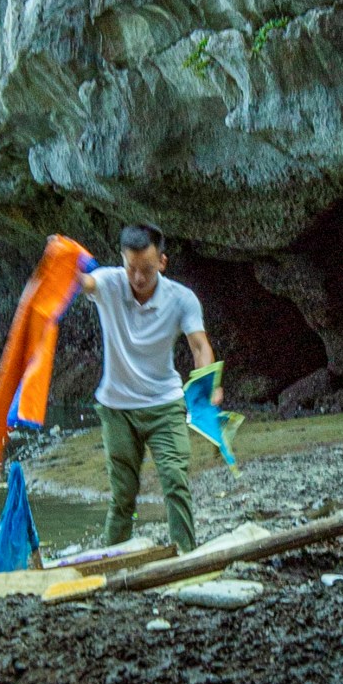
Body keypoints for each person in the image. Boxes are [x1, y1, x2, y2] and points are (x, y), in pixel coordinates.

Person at [79, 223, 213, 554]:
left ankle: (185, 554)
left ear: (163, 263)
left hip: (165, 405)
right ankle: (112, 560)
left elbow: (199, 346)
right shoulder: (110, 283)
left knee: (175, 480)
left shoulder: (181, 299)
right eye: (132, 269)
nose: (138, 278)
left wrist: (208, 384)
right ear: (122, 262)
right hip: (116, 408)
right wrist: (61, 257)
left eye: (148, 269)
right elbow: (81, 282)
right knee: (123, 493)